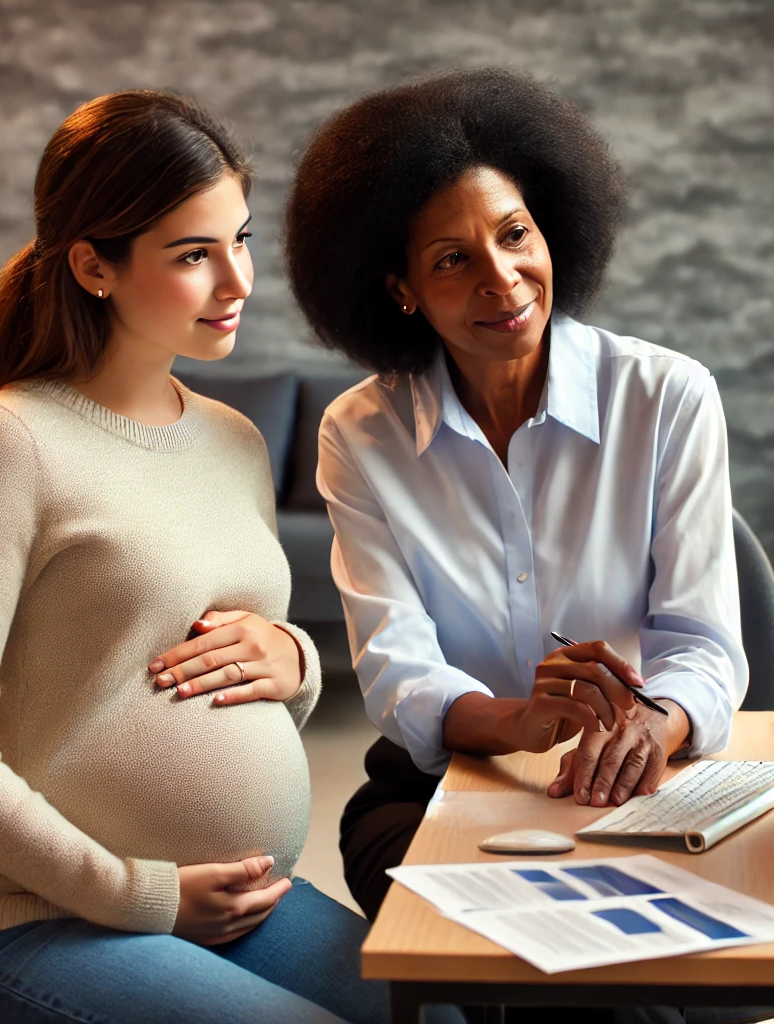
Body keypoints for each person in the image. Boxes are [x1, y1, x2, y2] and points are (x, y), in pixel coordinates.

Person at [0, 90, 446, 1024]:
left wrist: (298, 659)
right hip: (37, 920)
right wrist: (136, 893)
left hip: (241, 909)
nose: (237, 282)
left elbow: (221, 648)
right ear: (93, 265)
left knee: (445, 1007)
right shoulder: (10, 439)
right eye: (194, 255)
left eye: (237, 241)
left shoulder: (232, 439)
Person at [275, 66, 749, 928]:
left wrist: (660, 725)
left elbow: (705, 644)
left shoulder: (666, 396)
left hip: (631, 776)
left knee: (609, 957)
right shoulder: (362, 432)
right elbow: (395, 665)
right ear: (401, 290)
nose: (503, 278)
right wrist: (517, 722)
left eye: (515, 233)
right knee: (511, 934)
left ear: (552, 228)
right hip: (445, 780)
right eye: (453, 259)